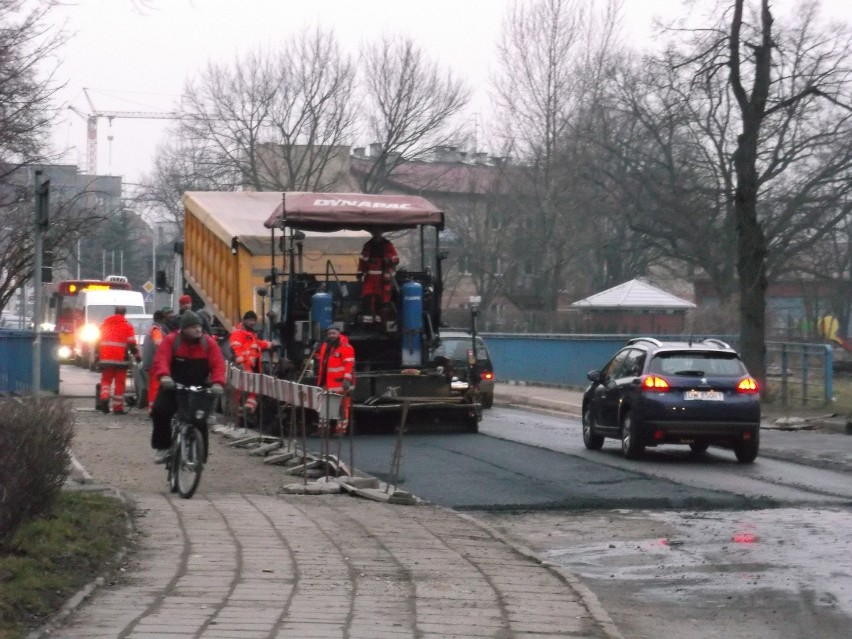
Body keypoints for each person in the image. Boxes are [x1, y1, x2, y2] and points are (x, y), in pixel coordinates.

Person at [149, 310, 225, 464]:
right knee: (160, 411)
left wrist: (218, 382)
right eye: (193, 327)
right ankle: (163, 447)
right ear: (183, 329)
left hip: (198, 386)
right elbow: (161, 359)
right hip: (173, 385)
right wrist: (164, 376)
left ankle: (199, 455)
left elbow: (218, 364)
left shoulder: (208, 343)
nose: (198, 330)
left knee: (199, 418)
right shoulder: (172, 341)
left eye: (199, 326)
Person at [96, 306, 140, 414]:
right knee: (119, 384)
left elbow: (97, 342)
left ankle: (105, 397)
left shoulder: (104, 324)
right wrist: (138, 357)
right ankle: (117, 408)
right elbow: (131, 344)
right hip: (121, 360)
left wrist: (97, 356)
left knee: (106, 381)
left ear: (115, 312)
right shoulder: (127, 326)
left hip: (105, 359)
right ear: (124, 313)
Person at [228, 310, 273, 414]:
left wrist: (270, 345)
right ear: (244, 320)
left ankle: (248, 407)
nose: (252, 322)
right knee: (240, 387)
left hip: (252, 365)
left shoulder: (251, 334)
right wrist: (242, 364)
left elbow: (257, 344)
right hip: (245, 365)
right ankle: (236, 410)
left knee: (254, 385)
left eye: (253, 320)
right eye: (249, 320)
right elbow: (236, 348)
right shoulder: (238, 333)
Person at [357, 231, 399, 322]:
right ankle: (368, 321)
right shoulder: (368, 245)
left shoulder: (388, 245)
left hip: (384, 279)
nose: (377, 233)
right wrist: (360, 273)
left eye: (378, 231)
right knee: (367, 296)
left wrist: (389, 261)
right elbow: (362, 261)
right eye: (375, 231)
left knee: (382, 299)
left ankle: (380, 319)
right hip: (370, 278)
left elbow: (396, 259)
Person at [140, 309, 170, 412]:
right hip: (155, 363)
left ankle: (152, 408)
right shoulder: (156, 330)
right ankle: (153, 410)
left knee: (152, 386)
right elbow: (160, 345)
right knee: (155, 386)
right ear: (163, 319)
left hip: (149, 362)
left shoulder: (151, 329)